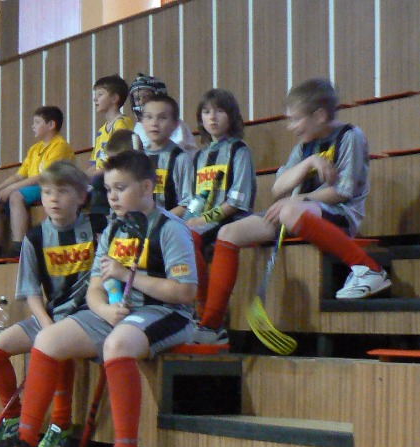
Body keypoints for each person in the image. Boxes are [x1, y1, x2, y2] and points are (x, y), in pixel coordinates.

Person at [0, 151, 198, 447]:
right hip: (118, 313)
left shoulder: (171, 228)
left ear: (147, 187)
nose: (112, 196)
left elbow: (185, 292)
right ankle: (26, 439)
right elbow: (94, 289)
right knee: (48, 339)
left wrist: (127, 276)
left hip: (165, 312)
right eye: (109, 189)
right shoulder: (113, 229)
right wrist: (104, 310)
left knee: (118, 344)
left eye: (121, 188)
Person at [195, 78, 389, 340]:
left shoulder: (350, 136)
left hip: (341, 215)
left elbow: (342, 192)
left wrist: (299, 200)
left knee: (288, 211)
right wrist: (309, 162)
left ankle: (369, 269)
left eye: (297, 120)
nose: (291, 127)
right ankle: (212, 326)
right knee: (228, 233)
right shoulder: (304, 147)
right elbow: (278, 187)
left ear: (319, 116)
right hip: (299, 212)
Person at [0, 161, 95, 447]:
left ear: (81, 196)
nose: (53, 199)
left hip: (89, 315)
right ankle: (13, 419)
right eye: (46, 192)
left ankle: (60, 423)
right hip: (51, 314)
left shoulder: (98, 228)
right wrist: (46, 322)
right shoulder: (35, 237)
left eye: (62, 192)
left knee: (56, 344)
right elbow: (31, 292)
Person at [178, 88, 255, 313]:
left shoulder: (239, 150)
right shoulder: (200, 156)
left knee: (189, 238)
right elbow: (194, 199)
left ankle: (205, 308)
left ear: (231, 116)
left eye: (219, 111)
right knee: (176, 234)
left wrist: (202, 220)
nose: (212, 117)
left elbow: (236, 203)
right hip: (201, 220)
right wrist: (187, 220)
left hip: (230, 220)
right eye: (206, 112)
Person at [0, 106, 76, 259]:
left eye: (37, 122)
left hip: (52, 187)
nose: (33, 126)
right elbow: (20, 175)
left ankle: (19, 245)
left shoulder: (60, 146)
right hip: (34, 187)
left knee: (16, 196)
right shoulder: (35, 149)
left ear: (51, 125)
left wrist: (11, 189)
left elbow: (43, 177)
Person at [138, 90, 193, 213]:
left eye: (162, 118)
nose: (154, 123)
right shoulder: (137, 158)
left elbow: (187, 203)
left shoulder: (181, 159)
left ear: (175, 124)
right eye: (149, 117)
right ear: (142, 121)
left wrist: (160, 220)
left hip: (171, 221)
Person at [128, 75, 196, 154]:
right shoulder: (139, 126)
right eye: (137, 98)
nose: (141, 101)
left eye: (146, 97)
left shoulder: (177, 126)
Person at [90, 75, 136, 171]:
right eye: (96, 95)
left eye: (100, 94)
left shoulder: (121, 124)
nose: (95, 99)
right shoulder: (101, 130)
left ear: (114, 98)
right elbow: (95, 163)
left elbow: (119, 162)